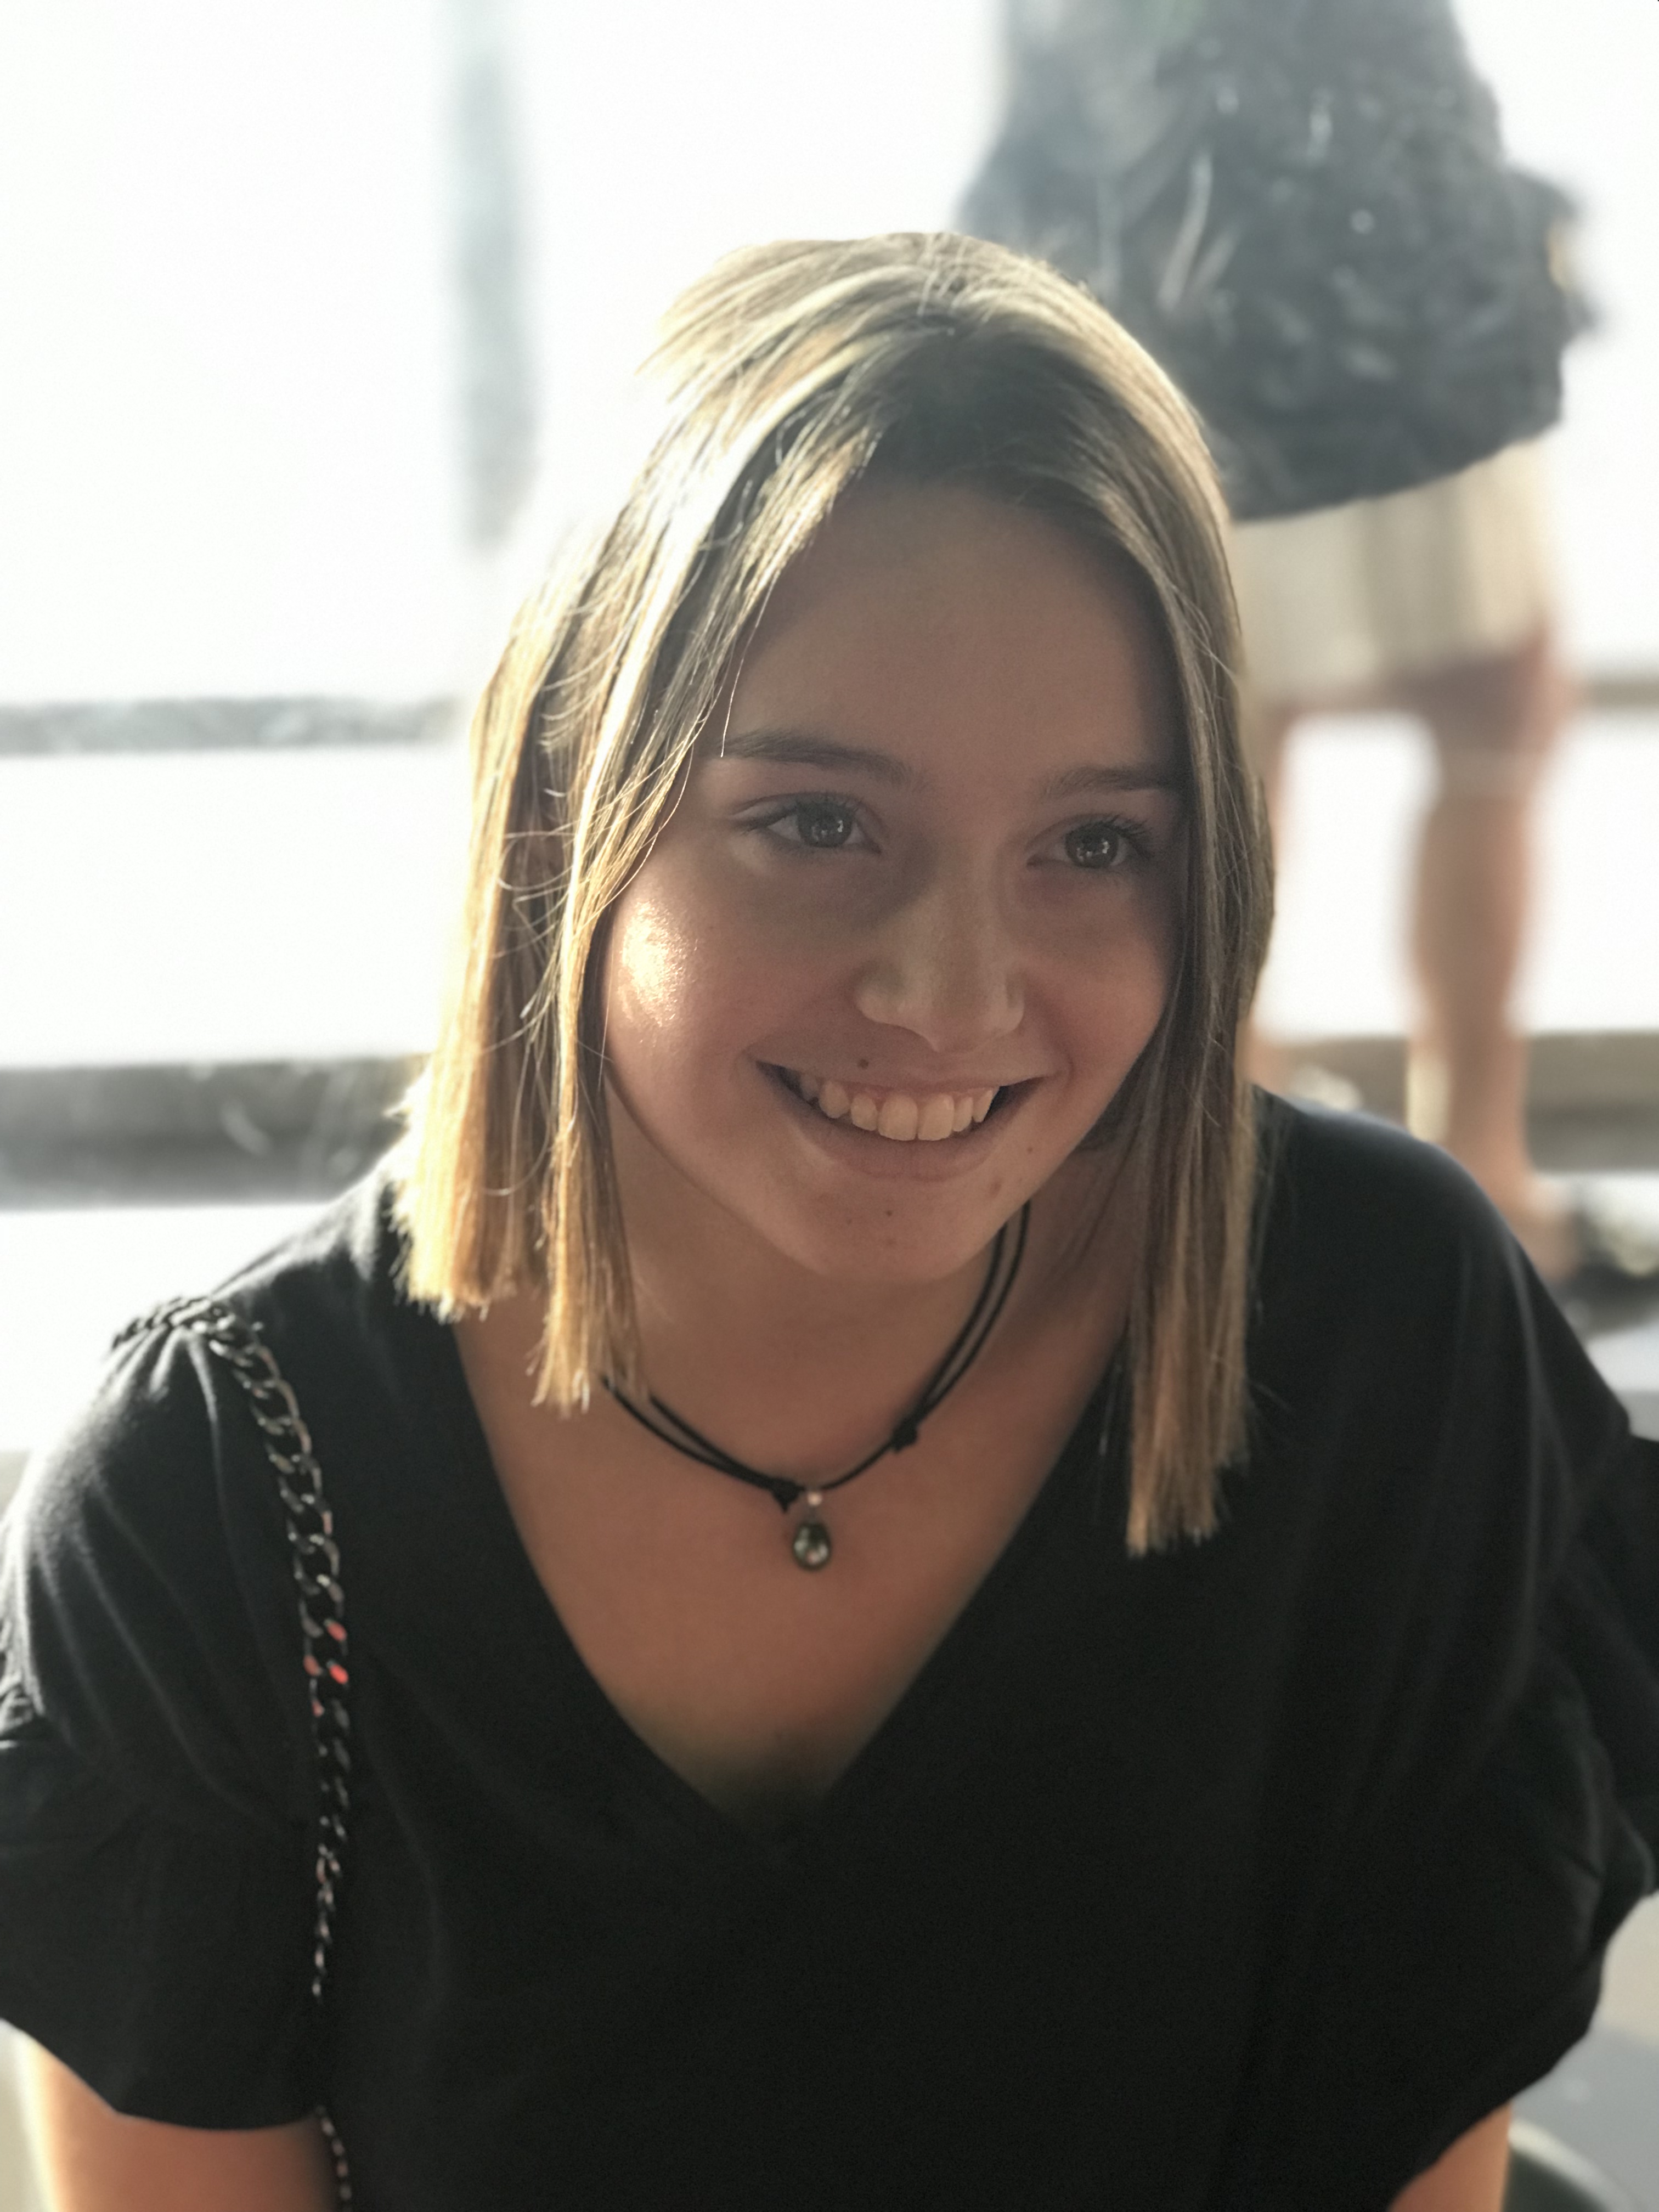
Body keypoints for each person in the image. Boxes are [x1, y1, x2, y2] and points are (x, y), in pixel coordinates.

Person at [0, 233, 1654, 2212]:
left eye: (1094, 845)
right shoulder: (213, 1502)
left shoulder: (1380, 1330)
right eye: (815, 823)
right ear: (566, 809)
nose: (952, 997)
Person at [960, 0, 1606, 1285]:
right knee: (1461, 712)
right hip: (1369, 266)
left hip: (1159, 253)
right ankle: (1465, 1166)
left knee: (1218, 732)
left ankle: (1222, 1168)